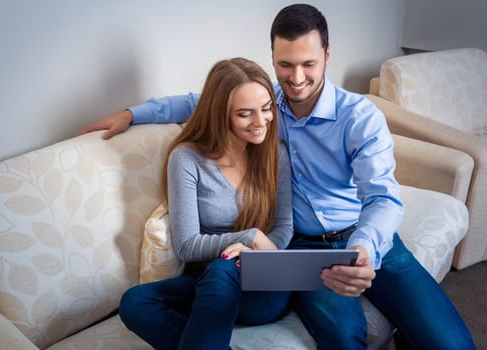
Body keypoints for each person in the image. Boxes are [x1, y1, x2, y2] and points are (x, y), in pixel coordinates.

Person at [80, 4, 474, 349]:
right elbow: (199, 103)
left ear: (327, 55)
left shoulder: (358, 118)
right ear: (272, 58)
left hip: (366, 235)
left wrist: (366, 248)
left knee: (451, 343)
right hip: (303, 249)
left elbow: (383, 198)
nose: (297, 77)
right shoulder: (265, 102)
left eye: (309, 64)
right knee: (341, 335)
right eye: (285, 65)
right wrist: (132, 113)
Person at [118, 57, 294, 350]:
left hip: (265, 286)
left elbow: (284, 225)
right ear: (220, 113)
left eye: (266, 109)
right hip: (209, 285)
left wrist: (264, 250)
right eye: (244, 114)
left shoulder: (276, 154)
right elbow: (187, 244)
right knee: (135, 302)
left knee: (223, 268)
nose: (261, 122)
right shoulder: (187, 159)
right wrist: (248, 236)